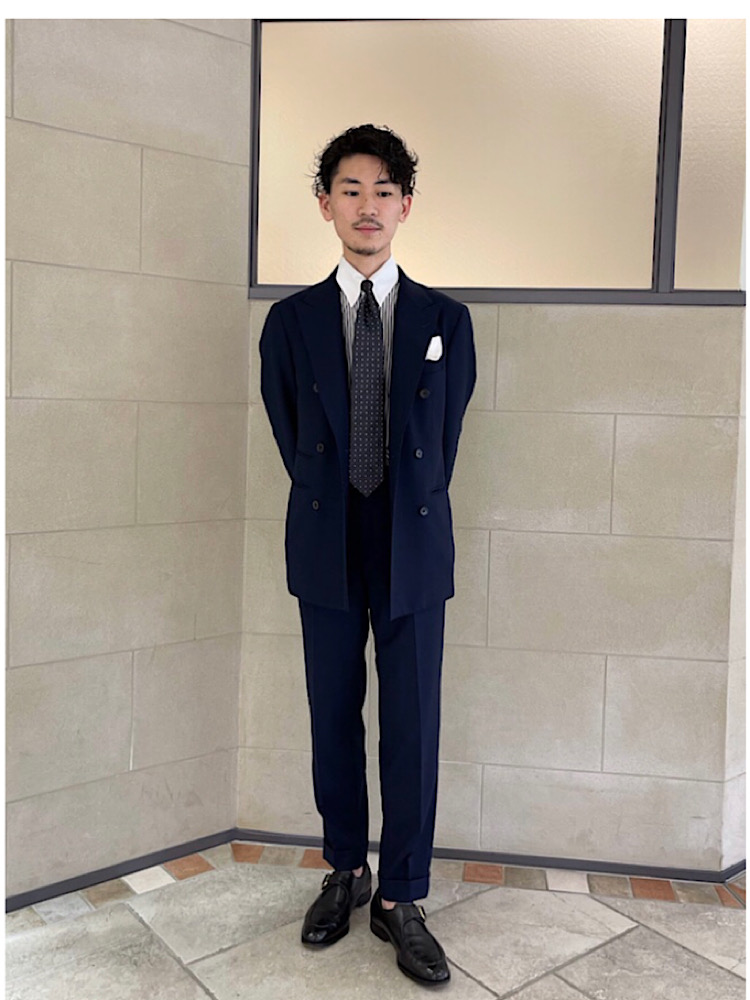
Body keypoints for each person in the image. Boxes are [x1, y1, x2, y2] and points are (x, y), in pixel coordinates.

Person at [259, 123, 476, 986]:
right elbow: (291, 431)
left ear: (406, 206)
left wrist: (395, 498)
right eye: (350, 189)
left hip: (412, 540)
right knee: (332, 712)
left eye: (385, 190)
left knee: (413, 722)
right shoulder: (290, 322)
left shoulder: (446, 321)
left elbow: (445, 437)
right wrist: (341, 492)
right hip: (327, 536)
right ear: (325, 205)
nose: (368, 205)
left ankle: (402, 895)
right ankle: (345, 870)